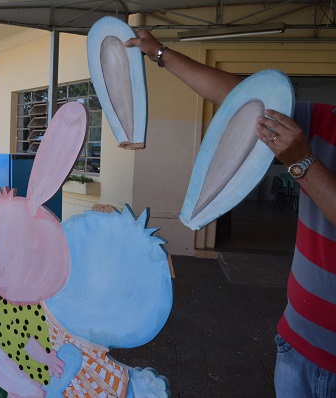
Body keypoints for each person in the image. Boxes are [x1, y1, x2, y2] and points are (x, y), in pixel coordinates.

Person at [125, 30, 336, 397]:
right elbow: (241, 99)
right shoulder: (327, 120)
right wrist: (159, 52)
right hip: (297, 342)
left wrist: (302, 162)